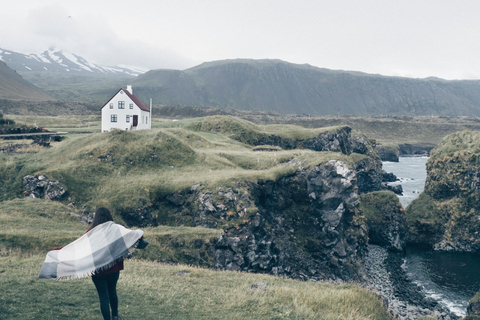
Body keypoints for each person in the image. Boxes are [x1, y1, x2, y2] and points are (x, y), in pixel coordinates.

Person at [89, 207, 123, 320]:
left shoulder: (90, 233)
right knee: (112, 290)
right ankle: (115, 316)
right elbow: (129, 237)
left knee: (103, 297)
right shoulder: (116, 230)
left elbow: (84, 251)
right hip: (113, 269)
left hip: (98, 271)